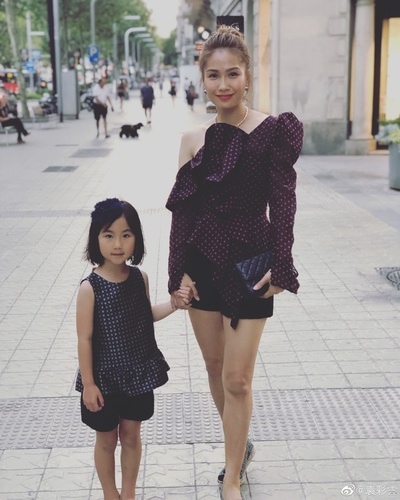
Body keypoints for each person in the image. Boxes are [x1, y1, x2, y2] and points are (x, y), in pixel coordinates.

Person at [166, 25, 303, 500]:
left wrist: (282, 265)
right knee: (214, 366)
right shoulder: (192, 139)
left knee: (237, 379)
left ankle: (231, 477)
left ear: (247, 76)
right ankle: (238, 449)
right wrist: (178, 271)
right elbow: (182, 214)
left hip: (252, 265)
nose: (223, 84)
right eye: (214, 75)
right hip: (202, 262)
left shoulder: (272, 132)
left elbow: (283, 204)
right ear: (202, 79)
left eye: (233, 74)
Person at [75, 198, 191, 500]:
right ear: (96, 238)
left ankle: (128, 493)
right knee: (106, 440)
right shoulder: (90, 287)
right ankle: (109, 494)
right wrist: (89, 384)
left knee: (131, 436)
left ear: (136, 238)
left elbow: (144, 314)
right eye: (109, 235)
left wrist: (174, 304)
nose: (118, 244)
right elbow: (84, 339)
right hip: (103, 379)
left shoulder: (140, 278)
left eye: (126, 235)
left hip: (137, 374)